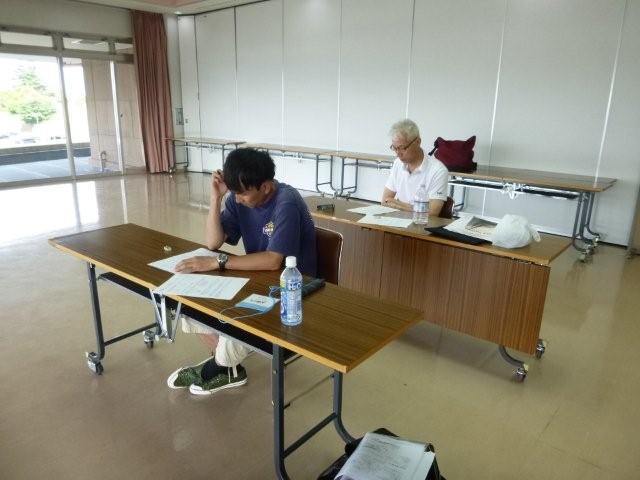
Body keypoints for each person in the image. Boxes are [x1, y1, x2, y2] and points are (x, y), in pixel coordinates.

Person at [166, 147, 316, 396]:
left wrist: (218, 262)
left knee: (236, 316)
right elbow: (213, 242)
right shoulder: (239, 198)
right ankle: (226, 366)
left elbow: (272, 260)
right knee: (190, 304)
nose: (237, 199)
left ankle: (219, 367)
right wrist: (216, 198)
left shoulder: (286, 203)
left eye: (242, 193)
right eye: (234, 193)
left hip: (294, 290)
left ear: (265, 187)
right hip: (258, 278)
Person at [382, 119, 448, 217]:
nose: (398, 153)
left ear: (418, 142)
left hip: (423, 224)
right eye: (394, 148)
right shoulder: (398, 163)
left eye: (402, 148)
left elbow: (432, 212)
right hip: (399, 220)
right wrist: (413, 208)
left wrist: (399, 205)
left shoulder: (438, 170)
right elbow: (385, 201)